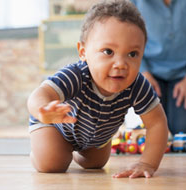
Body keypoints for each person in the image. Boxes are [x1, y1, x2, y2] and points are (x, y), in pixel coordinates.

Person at [27, 0, 168, 179]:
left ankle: (78, 151)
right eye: (108, 51)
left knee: (95, 164)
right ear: (83, 52)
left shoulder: (137, 85)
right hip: (55, 126)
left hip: (95, 138)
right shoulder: (76, 75)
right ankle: (38, 153)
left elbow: (157, 123)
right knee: (53, 163)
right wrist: (43, 110)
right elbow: (39, 94)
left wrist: (147, 163)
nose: (121, 64)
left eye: (132, 54)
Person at [130, 0, 186, 136]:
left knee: (184, 133)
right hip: (147, 72)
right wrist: (143, 73)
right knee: (149, 131)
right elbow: (127, 37)